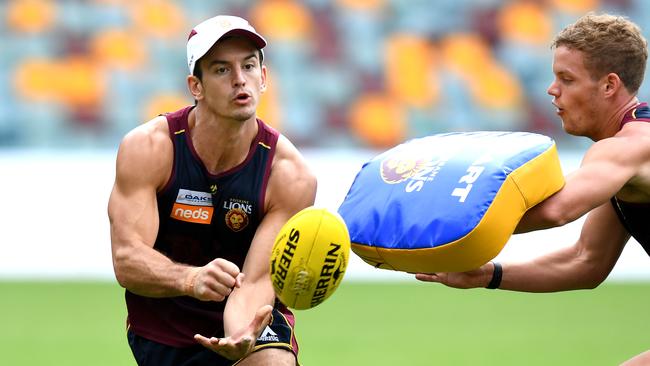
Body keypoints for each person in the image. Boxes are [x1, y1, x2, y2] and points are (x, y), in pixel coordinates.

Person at [415, 12, 650, 365]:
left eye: (566, 79)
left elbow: (558, 209)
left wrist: (444, 225)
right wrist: (487, 274)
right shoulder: (621, 156)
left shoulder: (630, 146)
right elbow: (587, 260)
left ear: (609, 85)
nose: (552, 89)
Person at [107, 15, 316, 366]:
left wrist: (240, 334)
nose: (239, 80)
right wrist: (191, 278)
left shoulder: (290, 175)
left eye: (249, 66)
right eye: (221, 70)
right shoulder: (150, 148)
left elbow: (256, 280)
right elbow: (127, 260)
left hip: (248, 318)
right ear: (196, 86)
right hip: (163, 327)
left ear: (263, 78)